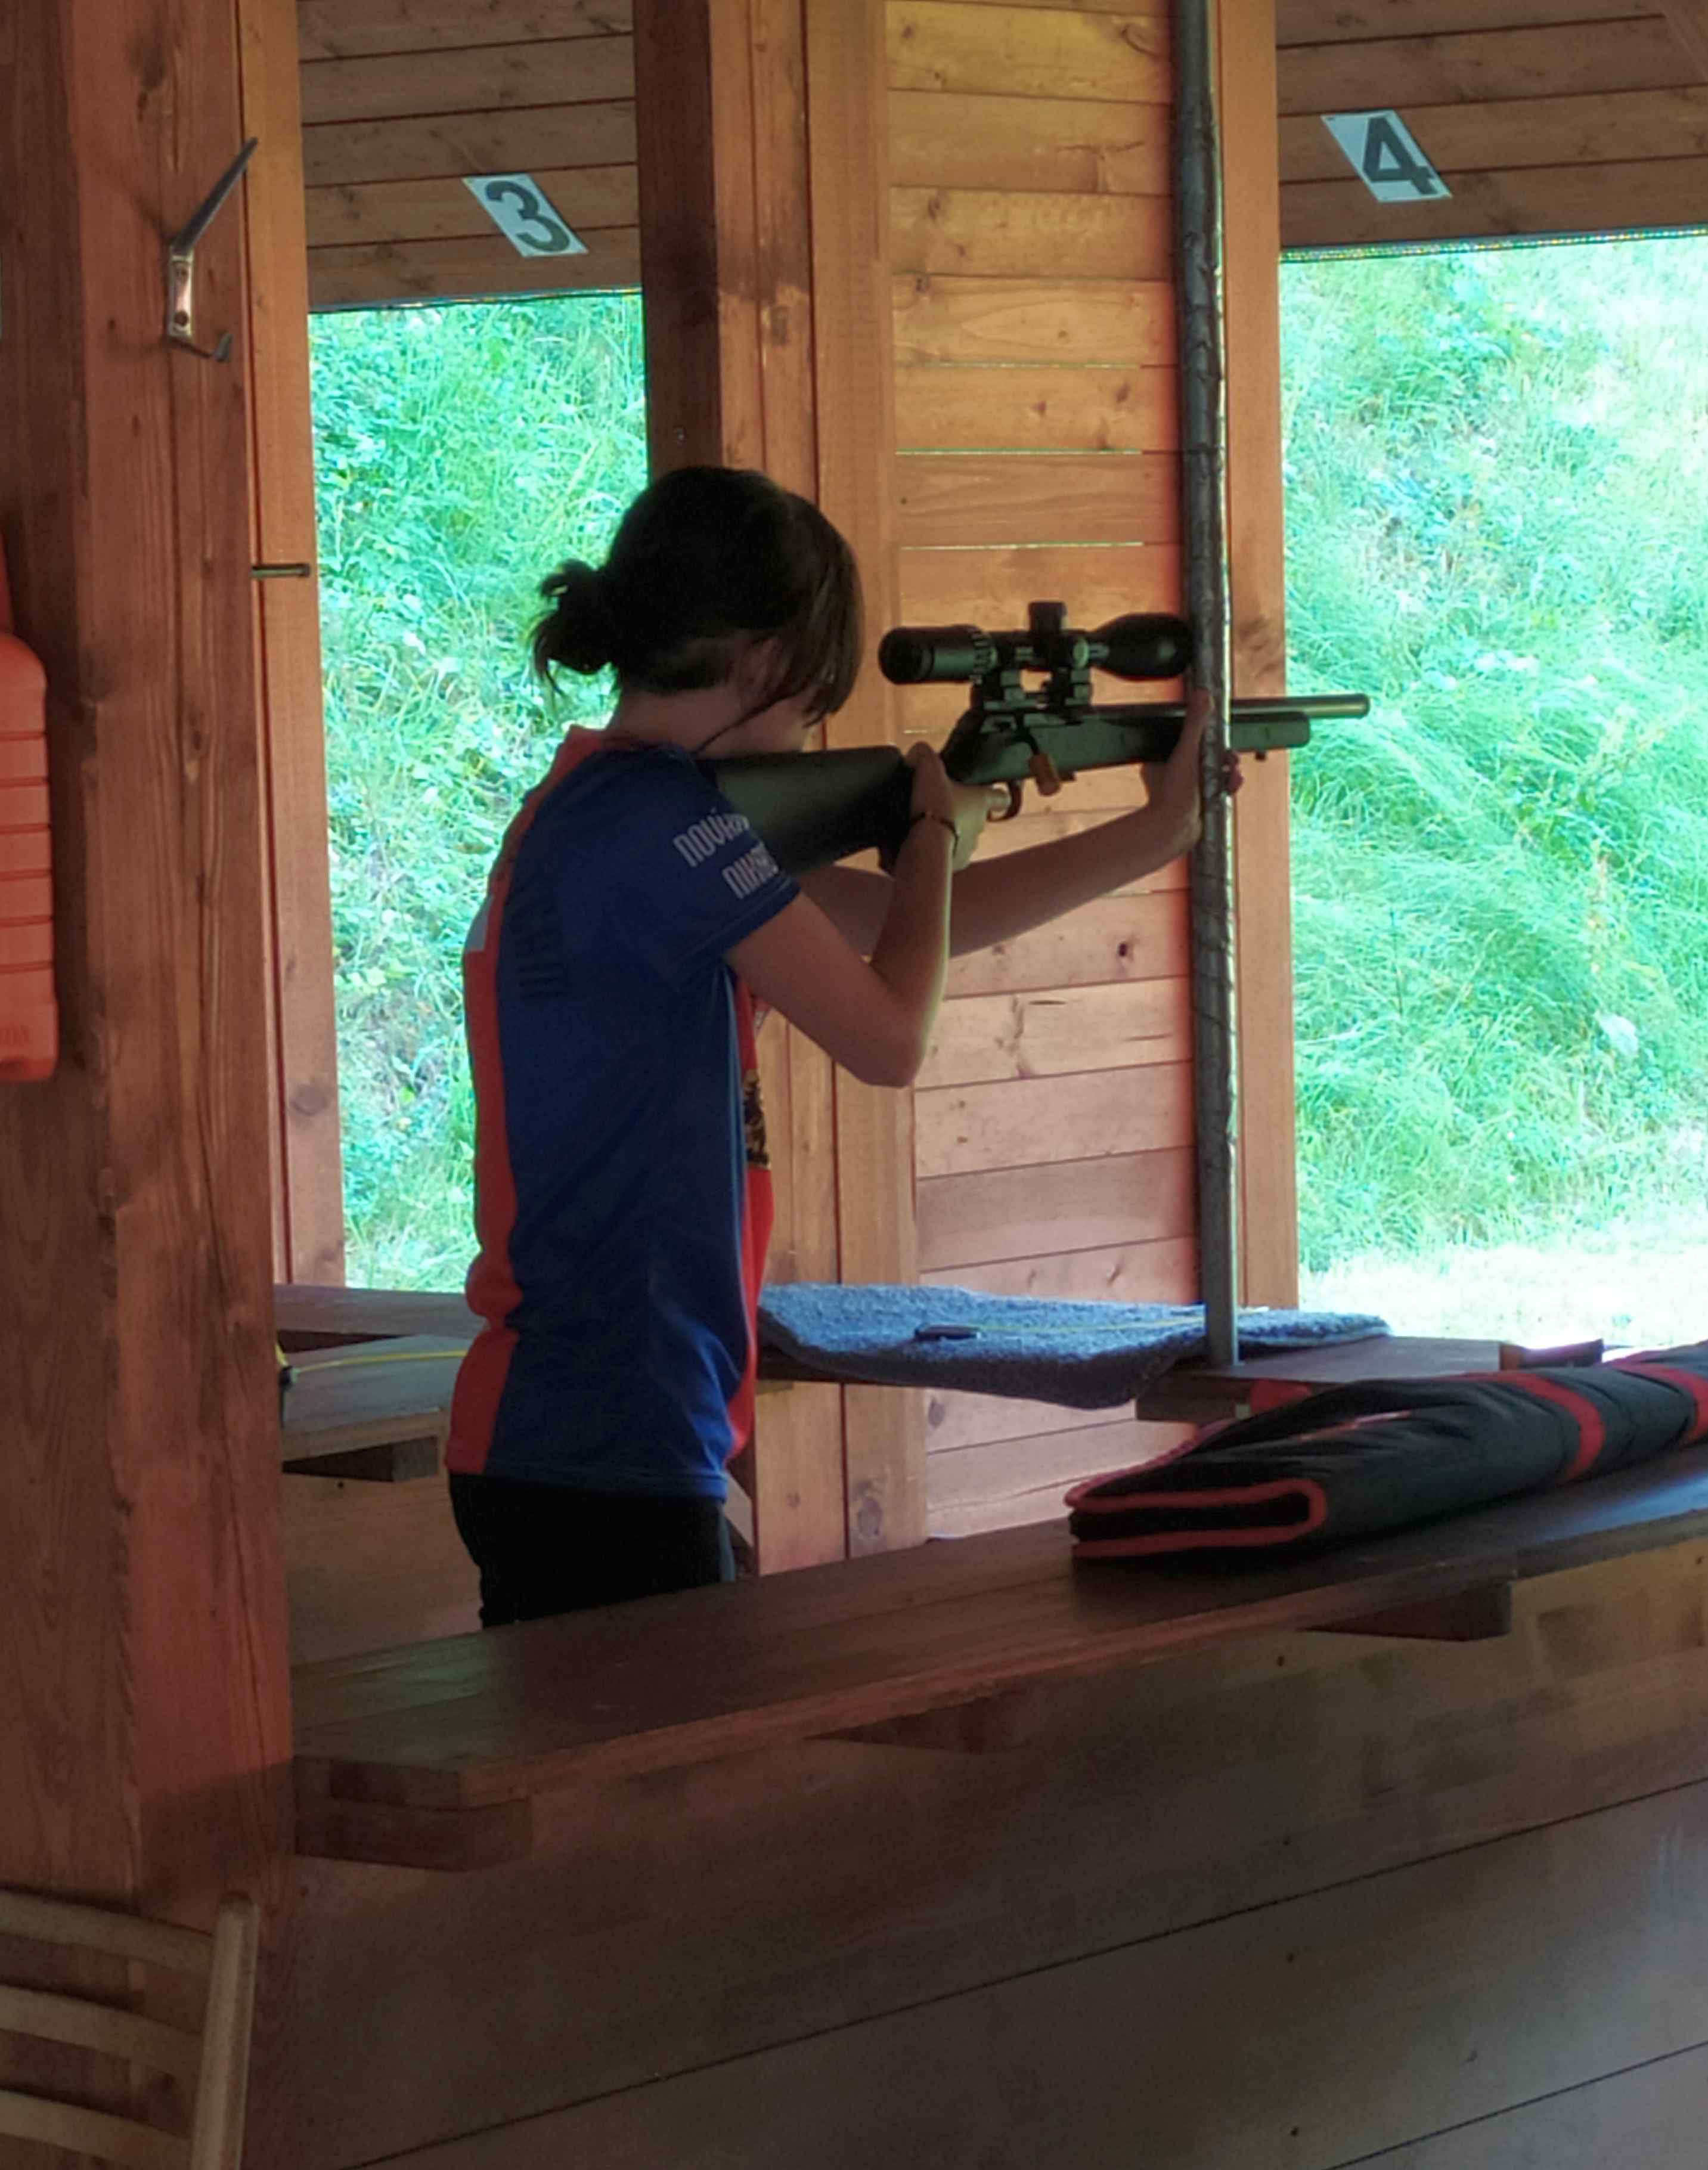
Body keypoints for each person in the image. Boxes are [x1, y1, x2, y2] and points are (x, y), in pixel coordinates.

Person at [445, 465, 1235, 1625]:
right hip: (601, 1440)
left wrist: (1156, 831)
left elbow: (909, 929)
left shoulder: (614, 815)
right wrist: (930, 834)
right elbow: (889, 1038)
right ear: (769, 661)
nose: (814, 728)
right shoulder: (657, 825)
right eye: (815, 698)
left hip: (590, 1434)